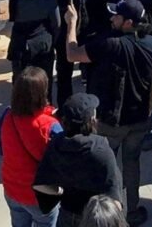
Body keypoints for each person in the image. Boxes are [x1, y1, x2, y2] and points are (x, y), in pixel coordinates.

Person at [65, 0, 152, 226]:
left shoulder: (108, 44)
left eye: (117, 16)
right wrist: (149, 103)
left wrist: (72, 23)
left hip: (110, 123)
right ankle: (132, 210)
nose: (112, 18)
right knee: (132, 163)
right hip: (139, 120)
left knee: (105, 169)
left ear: (128, 22)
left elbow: (72, 54)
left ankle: (105, 216)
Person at [33, 92, 123, 227]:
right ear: (91, 120)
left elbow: (41, 184)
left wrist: (60, 192)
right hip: (95, 219)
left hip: (67, 215)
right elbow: (114, 196)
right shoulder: (100, 150)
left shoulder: (56, 144)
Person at [0, 67, 62, 227]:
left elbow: (2, 149)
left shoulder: (7, 117)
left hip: (12, 189)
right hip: (40, 195)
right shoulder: (51, 126)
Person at [9, 0, 61, 92]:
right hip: (43, 43)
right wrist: (54, 42)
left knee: (21, 84)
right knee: (44, 83)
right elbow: (57, 23)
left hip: (20, 44)